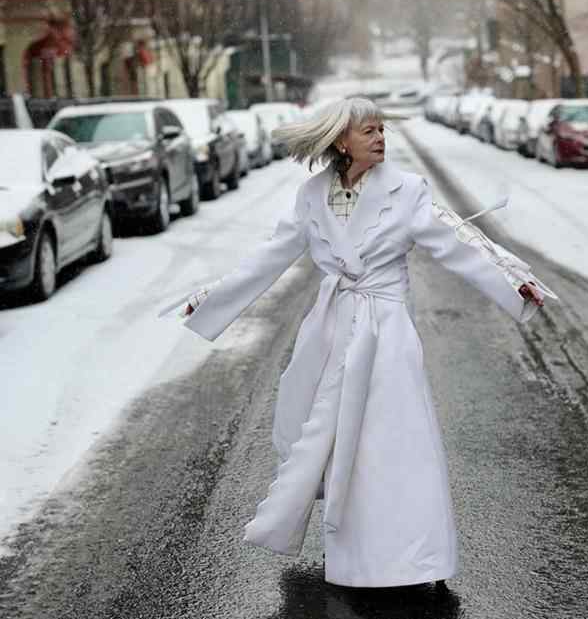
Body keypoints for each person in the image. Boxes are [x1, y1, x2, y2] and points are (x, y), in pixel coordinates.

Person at [169, 97, 552, 589]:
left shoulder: (407, 190)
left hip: (388, 333)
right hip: (332, 331)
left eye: (381, 129)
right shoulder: (311, 196)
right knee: (342, 443)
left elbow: (457, 243)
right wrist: (210, 299)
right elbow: (269, 257)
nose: (379, 138)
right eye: (368, 130)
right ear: (340, 141)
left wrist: (512, 281)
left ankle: (421, 559)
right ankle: (357, 561)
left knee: (398, 443)